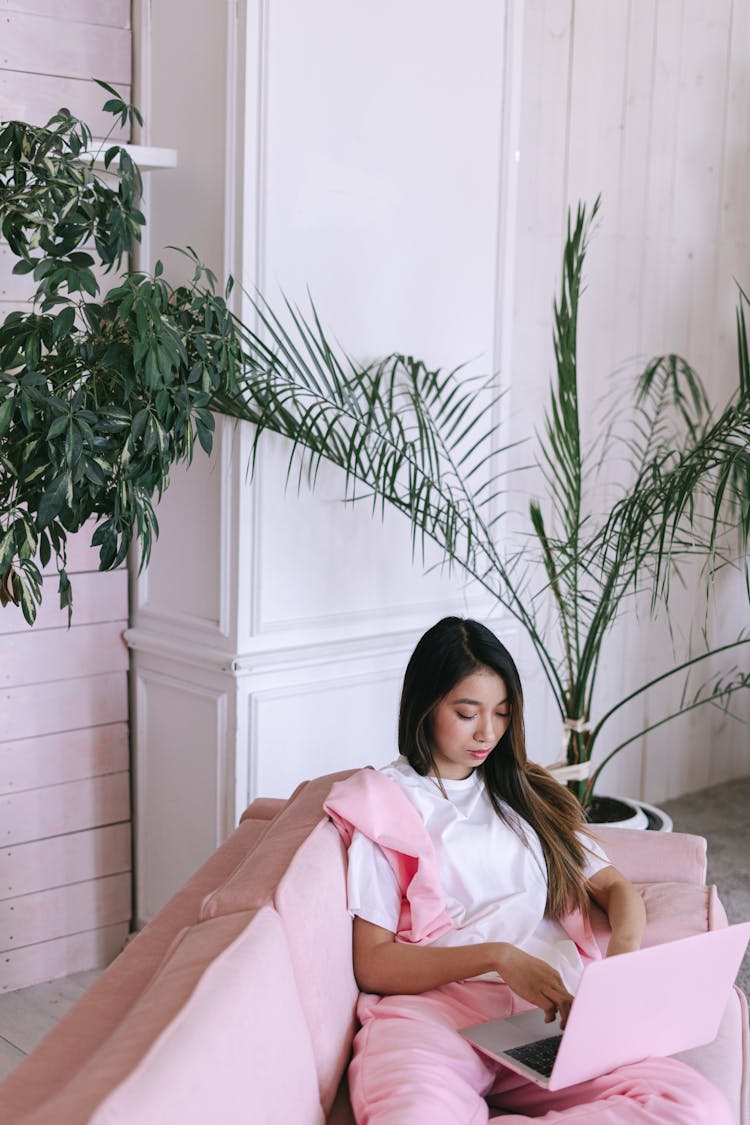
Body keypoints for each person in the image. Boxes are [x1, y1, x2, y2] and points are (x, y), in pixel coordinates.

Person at [324, 617, 731, 1124]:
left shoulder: (525, 791)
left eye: (502, 712)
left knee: (696, 1107)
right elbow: (374, 963)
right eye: (467, 712)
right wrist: (499, 957)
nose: (488, 732)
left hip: (553, 1013)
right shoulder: (383, 802)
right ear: (425, 707)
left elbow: (613, 888)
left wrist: (620, 964)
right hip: (435, 1011)